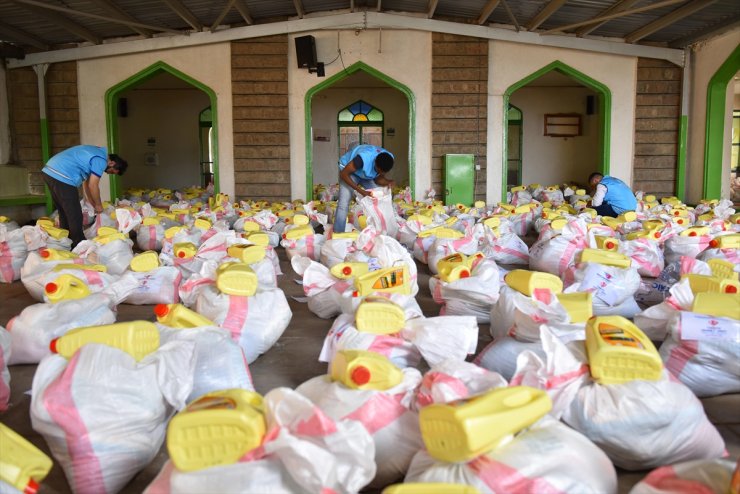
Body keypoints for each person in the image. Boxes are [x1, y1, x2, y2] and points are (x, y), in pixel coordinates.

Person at [42, 145, 128, 247]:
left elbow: (86, 185)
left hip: (50, 172)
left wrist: (93, 203)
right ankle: (80, 245)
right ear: (112, 163)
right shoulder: (101, 160)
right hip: (62, 175)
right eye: (112, 171)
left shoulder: (95, 153)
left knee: (64, 212)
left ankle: (65, 241)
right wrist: (99, 205)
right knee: (75, 214)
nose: (109, 173)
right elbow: (93, 185)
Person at [332, 144, 395, 233]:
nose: (380, 172)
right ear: (375, 163)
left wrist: (388, 182)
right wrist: (361, 191)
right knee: (343, 203)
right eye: (379, 170)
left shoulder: (388, 159)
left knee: (378, 198)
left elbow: (378, 179)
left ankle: (380, 230)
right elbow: (344, 175)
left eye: (382, 172)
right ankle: (338, 234)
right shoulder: (363, 159)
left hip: (365, 175)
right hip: (348, 172)